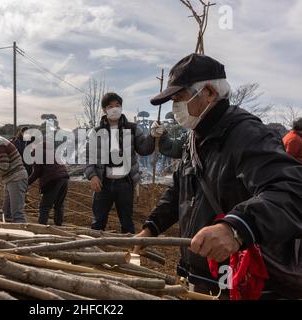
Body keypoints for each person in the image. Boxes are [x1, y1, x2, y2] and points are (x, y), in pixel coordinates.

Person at [134, 53, 302, 299]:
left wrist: (235, 228)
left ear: (209, 93)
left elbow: (292, 189)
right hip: (202, 276)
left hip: (240, 280)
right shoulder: (196, 137)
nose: (175, 108)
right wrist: (151, 228)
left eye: (179, 98)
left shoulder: (248, 134)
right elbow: (180, 189)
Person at [84, 92, 162, 234]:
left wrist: (152, 135)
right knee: (98, 222)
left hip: (125, 184)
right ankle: (94, 251)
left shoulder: (132, 129)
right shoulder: (96, 132)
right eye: (110, 106)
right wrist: (93, 176)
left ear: (121, 107)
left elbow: (144, 149)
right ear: (104, 110)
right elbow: (89, 158)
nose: (114, 108)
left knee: (127, 222)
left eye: (117, 105)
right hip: (103, 183)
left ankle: (129, 254)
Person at [28, 141, 69, 226]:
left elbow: (37, 172)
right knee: (59, 204)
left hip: (53, 180)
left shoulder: (37, 152)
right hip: (64, 177)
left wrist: (26, 182)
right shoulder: (51, 152)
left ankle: (41, 227)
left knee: (45, 206)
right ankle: (59, 225)